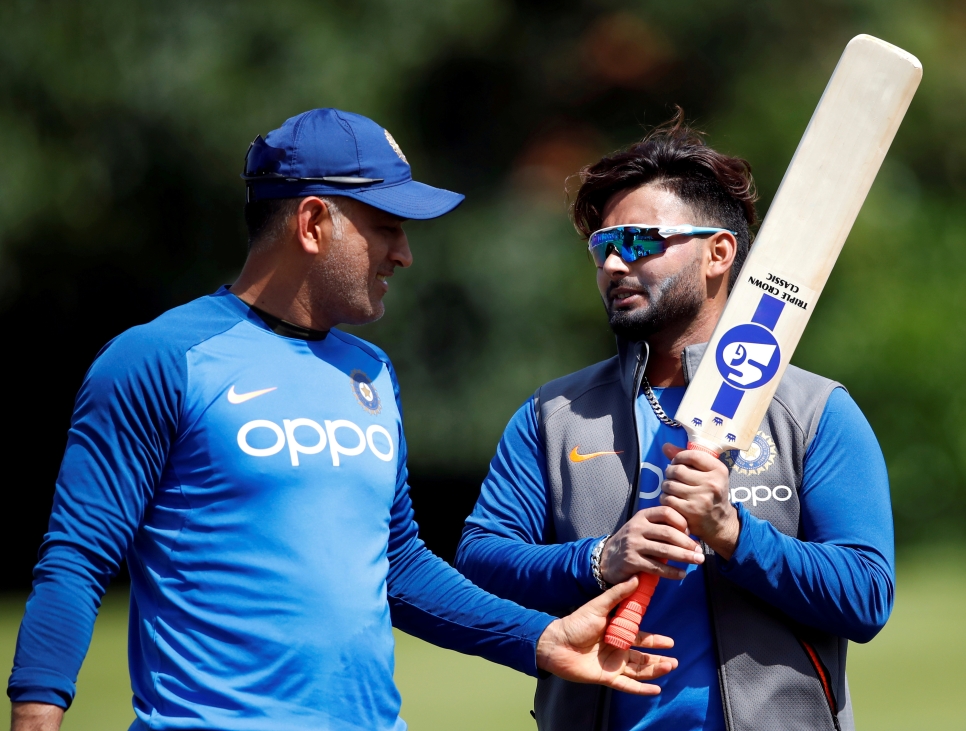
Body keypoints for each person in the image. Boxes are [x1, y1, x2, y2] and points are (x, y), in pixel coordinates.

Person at [7, 109, 679, 731]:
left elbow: (400, 564)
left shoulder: (373, 372)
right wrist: (36, 714)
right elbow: (76, 559)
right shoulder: (159, 358)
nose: (403, 254)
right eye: (386, 226)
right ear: (311, 223)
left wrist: (537, 637)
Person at [454, 116, 894, 731]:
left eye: (638, 241)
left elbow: (868, 596)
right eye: (603, 245)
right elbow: (480, 561)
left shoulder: (814, 411)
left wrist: (735, 534)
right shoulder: (552, 416)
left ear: (720, 252)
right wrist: (599, 559)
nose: (612, 263)